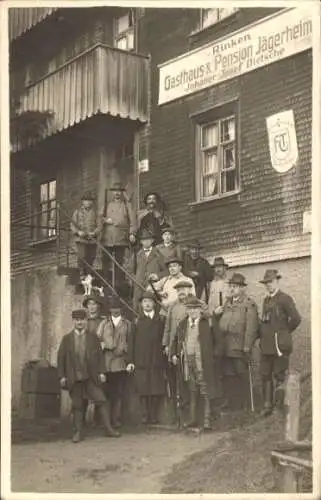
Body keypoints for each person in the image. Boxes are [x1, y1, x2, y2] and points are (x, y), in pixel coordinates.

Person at [57, 309, 120, 443]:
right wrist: (62, 376)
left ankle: (109, 429)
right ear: (73, 321)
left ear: (86, 321)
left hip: (91, 377)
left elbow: (100, 358)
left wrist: (102, 372)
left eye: (82, 320)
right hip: (74, 377)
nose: (80, 322)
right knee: (78, 405)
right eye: (77, 320)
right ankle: (78, 432)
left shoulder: (93, 338)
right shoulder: (67, 339)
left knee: (101, 400)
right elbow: (61, 359)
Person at [170, 296, 217, 430]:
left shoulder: (207, 323)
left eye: (195, 309)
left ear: (200, 310)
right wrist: (174, 353)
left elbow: (218, 341)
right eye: (189, 309)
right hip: (187, 361)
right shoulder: (183, 324)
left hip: (202, 361)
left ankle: (207, 420)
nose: (192, 312)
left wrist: (213, 357)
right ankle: (193, 419)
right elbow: (175, 340)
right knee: (192, 389)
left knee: (205, 389)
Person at [258, 269, 301, 416]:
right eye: (266, 283)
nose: (268, 285)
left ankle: (278, 407)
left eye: (271, 282)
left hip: (279, 346)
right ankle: (267, 406)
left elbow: (296, 318)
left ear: (277, 281)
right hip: (266, 345)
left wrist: (284, 333)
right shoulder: (266, 300)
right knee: (265, 374)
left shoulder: (285, 299)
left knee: (279, 374)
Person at [219, 273, 259, 411]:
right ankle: (231, 402)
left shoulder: (249, 304)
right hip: (226, 346)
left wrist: (247, 347)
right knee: (228, 375)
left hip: (239, 347)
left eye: (235, 286)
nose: (232, 289)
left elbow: (251, 328)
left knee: (241, 375)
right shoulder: (227, 303)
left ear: (242, 288)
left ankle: (246, 404)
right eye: (230, 286)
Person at [126, 291, 166, 425]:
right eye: (144, 302)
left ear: (154, 304)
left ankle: (153, 415)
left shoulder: (160, 320)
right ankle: (144, 414)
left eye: (150, 301)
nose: (147, 304)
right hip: (141, 359)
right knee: (143, 387)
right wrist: (130, 361)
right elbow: (131, 342)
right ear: (141, 304)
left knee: (156, 387)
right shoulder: (137, 321)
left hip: (156, 358)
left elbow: (163, 339)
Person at [97, 296, 131, 429]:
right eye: (113, 308)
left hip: (120, 362)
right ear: (109, 309)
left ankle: (115, 420)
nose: (115, 310)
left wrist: (125, 350)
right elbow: (97, 339)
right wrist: (104, 345)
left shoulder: (127, 324)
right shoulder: (104, 323)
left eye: (118, 308)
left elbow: (130, 340)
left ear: (121, 309)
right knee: (105, 393)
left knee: (118, 393)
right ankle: (105, 421)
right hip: (106, 363)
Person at [100, 182, 136, 286]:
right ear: (112, 193)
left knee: (119, 261)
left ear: (122, 193)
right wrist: (105, 220)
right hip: (107, 238)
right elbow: (99, 218)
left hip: (121, 237)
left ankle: (119, 283)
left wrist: (132, 233)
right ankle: (105, 282)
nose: (117, 193)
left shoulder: (127, 205)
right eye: (115, 191)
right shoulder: (107, 205)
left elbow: (133, 220)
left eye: (119, 191)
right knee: (105, 260)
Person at [82, 291, 106, 426]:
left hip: (97, 359)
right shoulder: (82, 321)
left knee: (99, 387)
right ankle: (81, 418)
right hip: (84, 358)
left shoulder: (102, 321)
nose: (92, 307)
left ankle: (98, 419)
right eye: (89, 304)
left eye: (94, 304)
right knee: (83, 388)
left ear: (98, 306)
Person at [130, 229, 166, 310]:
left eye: (148, 239)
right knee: (138, 308)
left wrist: (157, 276)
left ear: (152, 241)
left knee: (153, 307)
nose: (146, 242)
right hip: (139, 287)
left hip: (152, 286)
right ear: (141, 242)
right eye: (144, 240)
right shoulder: (137, 255)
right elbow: (130, 270)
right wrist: (135, 280)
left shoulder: (158, 254)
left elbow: (166, 271)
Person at [70, 191, 100, 282]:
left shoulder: (95, 213)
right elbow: (72, 224)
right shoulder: (77, 212)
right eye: (86, 200)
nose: (88, 202)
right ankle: (82, 273)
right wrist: (78, 232)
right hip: (81, 239)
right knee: (82, 255)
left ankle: (89, 273)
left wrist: (94, 233)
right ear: (83, 202)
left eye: (90, 201)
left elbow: (99, 226)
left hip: (91, 239)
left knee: (91, 256)